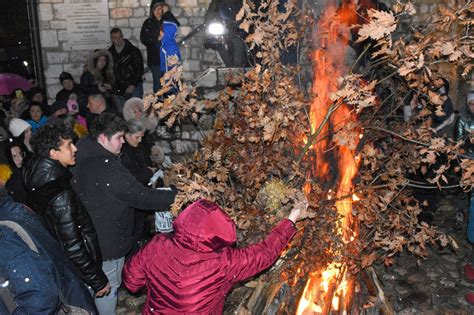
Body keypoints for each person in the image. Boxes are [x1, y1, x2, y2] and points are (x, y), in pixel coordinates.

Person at [71, 113, 177, 314]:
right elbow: (140, 196)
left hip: (86, 238)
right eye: (119, 138)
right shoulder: (107, 166)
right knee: (107, 288)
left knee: (89, 287)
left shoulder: (81, 154)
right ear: (103, 138)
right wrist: (175, 197)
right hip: (107, 243)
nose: (122, 142)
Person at [123, 198, 305, 314]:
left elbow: (131, 281)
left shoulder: (158, 245)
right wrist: (291, 219)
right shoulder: (222, 262)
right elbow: (264, 255)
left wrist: (159, 285)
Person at [23, 124, 111, 298]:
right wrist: (97, 279)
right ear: (53, 153)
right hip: (75, 273)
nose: (75, 149)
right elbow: (72, 246)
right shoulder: (59, 194)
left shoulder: (34, 170)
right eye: (69, 145)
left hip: (58, 264)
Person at [0, 192, 98, 314]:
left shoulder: (5, 234)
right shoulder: (14, 211)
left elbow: (40, 297)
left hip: (67, 296)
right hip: (71, 290)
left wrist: (96, 278)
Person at [122, 119, 153, 255]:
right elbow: (131, 176)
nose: (140, 140)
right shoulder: (123, 152)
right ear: (127, 135)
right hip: (132, 199)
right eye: (137, 137)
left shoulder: (137, 147)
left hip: (141, 194)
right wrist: (149, 173)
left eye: (141, 137)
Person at [141, 0, 178, 93]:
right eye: (155, 9)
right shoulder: (148, 23)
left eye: (160, 9)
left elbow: (176, 24)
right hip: (156, 60)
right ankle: (158, 106)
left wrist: (167, 13)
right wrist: (156, 38)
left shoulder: (167, 22)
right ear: (152, 11)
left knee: (170, 83)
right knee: (158, 84)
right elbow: (144, 39)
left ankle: (171, 105)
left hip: (168, 59)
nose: (158, 11)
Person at [109, 28, 144, 99]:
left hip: (134, 84)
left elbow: (139, 70)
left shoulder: (133, 51)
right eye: (115, 38)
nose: (118, 40)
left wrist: (132, 85)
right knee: (122, 109)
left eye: (120, 37)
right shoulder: (110, 53)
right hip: (119, 86)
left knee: (136, 108)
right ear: (112, 39)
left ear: (123, 36)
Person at [4, 140, 28, 204]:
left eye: (20, 154)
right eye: (14, 156)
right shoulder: (7, 181)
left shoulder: (28, 169)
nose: (20, 158)